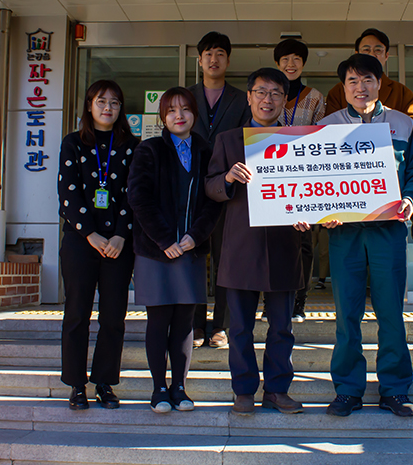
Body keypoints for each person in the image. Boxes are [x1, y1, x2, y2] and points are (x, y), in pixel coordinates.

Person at [308, 54, 413, 417]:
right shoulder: (326, 126)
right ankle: (348, 389)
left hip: (387, 232)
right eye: (352, 82)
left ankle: (394, 390)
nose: (360, 88)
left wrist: (410, 198)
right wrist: (320, 212)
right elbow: (312, 180)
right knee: (347, 314)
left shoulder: (403, 124)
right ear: (342, 88)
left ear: (380, 83)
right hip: (343, 234)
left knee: (391, 312)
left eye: (367, 80)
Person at [205, 67, 305, 416]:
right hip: (241, 245)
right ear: (248, 98)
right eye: (261, 92)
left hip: (284, 244)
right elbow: (211, 187)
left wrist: (310, 212)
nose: (268, 99)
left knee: (281, 326)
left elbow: (312, 190)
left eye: (276, 93)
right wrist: (228, 178)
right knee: (240, 327)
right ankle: (244, 390)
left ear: (284, 100)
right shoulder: (229, 140)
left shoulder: (299, 140)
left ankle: (277, 390)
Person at [127, 87, 222, 413]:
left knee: (185, 322)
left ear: (194, 113)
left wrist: (196, 236)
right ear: (162, 117)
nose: (178, 115)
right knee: (158, 320)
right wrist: (164, 240)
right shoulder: (149, 150)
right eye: (171, 110)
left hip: (191, 250)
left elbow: (213, 201)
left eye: (184, 109)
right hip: (155, 251)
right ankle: (158, 390)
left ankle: (180, 388)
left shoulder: (206, 150)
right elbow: (139, 198)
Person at [58, 79, 139, 410]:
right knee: (77, 312)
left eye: (115, 102)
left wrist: (120, 235)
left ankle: (104, 381)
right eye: (101, 101)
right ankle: (77, 383)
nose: (108, 107)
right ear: (89, 105)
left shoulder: (132, 146)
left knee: (113, 316)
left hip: (119, 243)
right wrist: (91, 234)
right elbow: (68, 192)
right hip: (81, 240)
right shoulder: (73, 143)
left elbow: (134, 194)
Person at [188, 31, 250, 349]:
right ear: (199, 60)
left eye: (220, 54)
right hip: (191, 192)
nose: (214, 59)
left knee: (227, 257)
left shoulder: (242, 99)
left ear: (228, 60)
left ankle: (219, 326)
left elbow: (246, 142)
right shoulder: (184, 98)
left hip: (229, 190)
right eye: (208, 53)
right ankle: (196, 324)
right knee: (196, 255)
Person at [273, 38, 326, 322]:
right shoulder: (270, 92)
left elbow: (322, 135)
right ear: (277, 63)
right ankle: (272, 302)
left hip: (305, 180)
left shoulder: (315, 96)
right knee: (273, 241)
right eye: (285, 59)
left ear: (303, 63)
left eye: (296, 59)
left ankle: (298, 302)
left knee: (303, 243)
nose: (290, 64)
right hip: (272, 178)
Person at [324, 28, 413, 130]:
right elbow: (331, 128)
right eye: (366, 50)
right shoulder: (337, 92)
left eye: (378, 50)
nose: (372, 54)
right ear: (357, 53)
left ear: (386, 55)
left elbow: (411, 127)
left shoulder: (402, 92)